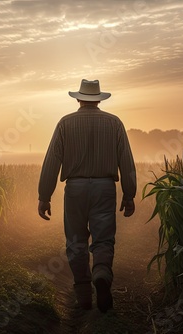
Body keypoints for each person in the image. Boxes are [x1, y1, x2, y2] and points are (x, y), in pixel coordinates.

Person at [37, 79, 136, 313]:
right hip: (104, 187)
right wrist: (129, 194)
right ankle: (101, 274)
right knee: (103, 239)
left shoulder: (65, 123)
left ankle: (83, 294)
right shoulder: (114, 123)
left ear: (78, 98)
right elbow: (127, 162)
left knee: (76, 240)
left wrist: (44, 195)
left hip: (75, 188)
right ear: (99, 99)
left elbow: (52, 160)